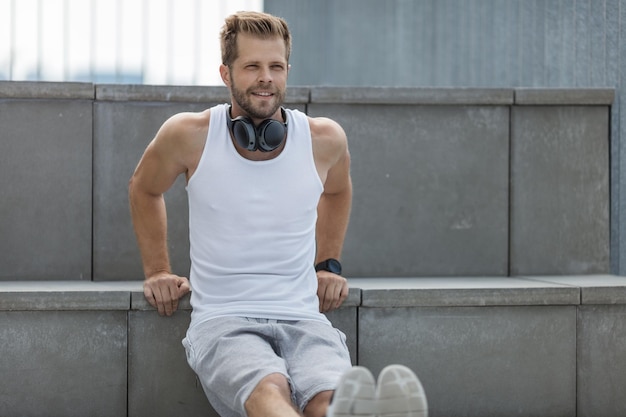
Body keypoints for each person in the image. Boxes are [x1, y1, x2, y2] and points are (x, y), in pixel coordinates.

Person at [129, 10, 427, 417]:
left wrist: (328, 263)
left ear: (288, 71)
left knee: (329, 401)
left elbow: (337, 191)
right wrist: (158, 270)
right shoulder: (189, 135)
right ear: (225, 72)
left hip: (304, 318)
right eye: (252, 66)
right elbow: (144, 189)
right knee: (269, 392)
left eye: (275, 66)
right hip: (224, 321)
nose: (265, 77)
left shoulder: (324, 139)